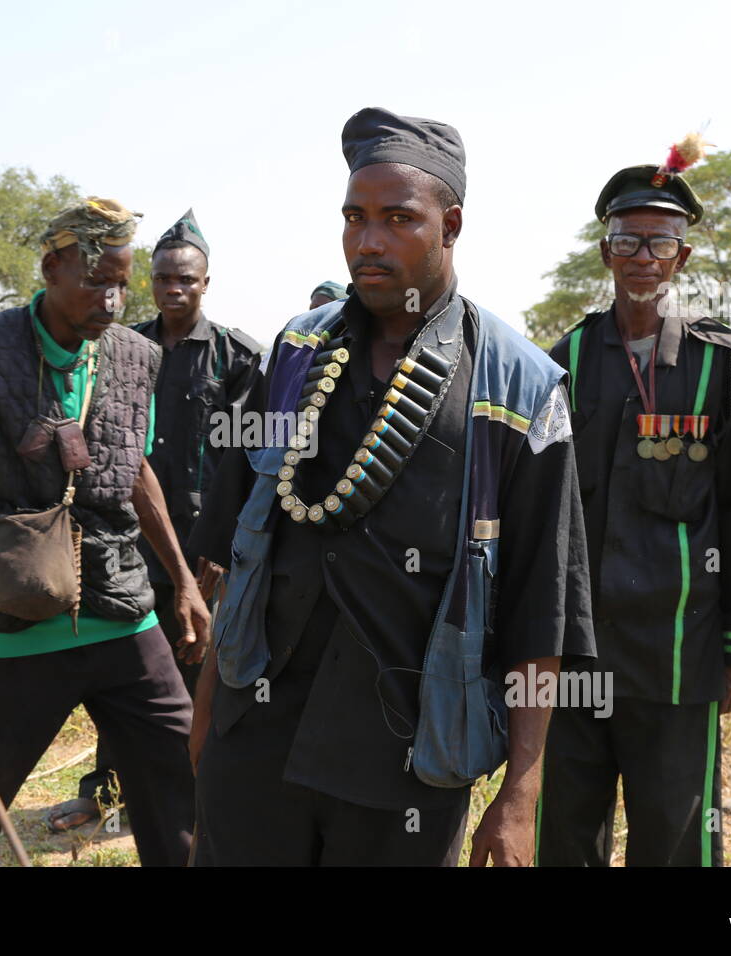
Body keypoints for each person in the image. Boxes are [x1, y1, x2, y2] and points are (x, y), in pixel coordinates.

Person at [186, 107, 595, 866]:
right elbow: (243, 547)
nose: (368, 241)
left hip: (408, 751)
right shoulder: (297, 351)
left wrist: (519, 796)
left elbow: (546, 606)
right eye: (355, 217)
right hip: (259, 732)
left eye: (397, 218)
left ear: (451, 225)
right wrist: (208, 708)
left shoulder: (521, 385)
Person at [0, 197, 210, 867]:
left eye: (121, 281)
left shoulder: (135, 356)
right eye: (94, 280)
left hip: (121, 617)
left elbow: (132, 467)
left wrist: (186, 583)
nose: (112, 298)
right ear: (51, 268)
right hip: (7, 629)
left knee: (180, 790)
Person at [540, 163, 731, 866]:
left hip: (679, 652)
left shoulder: (721, 364)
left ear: (683, 255)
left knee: (676, 834)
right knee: (565, 828)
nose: (643, 258)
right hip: (578, 649)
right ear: (605, 253)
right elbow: (540, 504)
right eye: (628, 241)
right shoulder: (569, 359)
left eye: (660, 242)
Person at [44, 209, 261, 833]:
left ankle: (196, 791)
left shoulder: (236, 357)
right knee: (122, 670)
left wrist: (221, 546)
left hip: (203, 548)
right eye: (163, 278)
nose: (173, 289)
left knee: (198, 670)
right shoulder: (119, 347)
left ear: (205, 283)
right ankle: (106, 792)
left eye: (185, 280)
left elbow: (249, 462)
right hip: (125, 542)